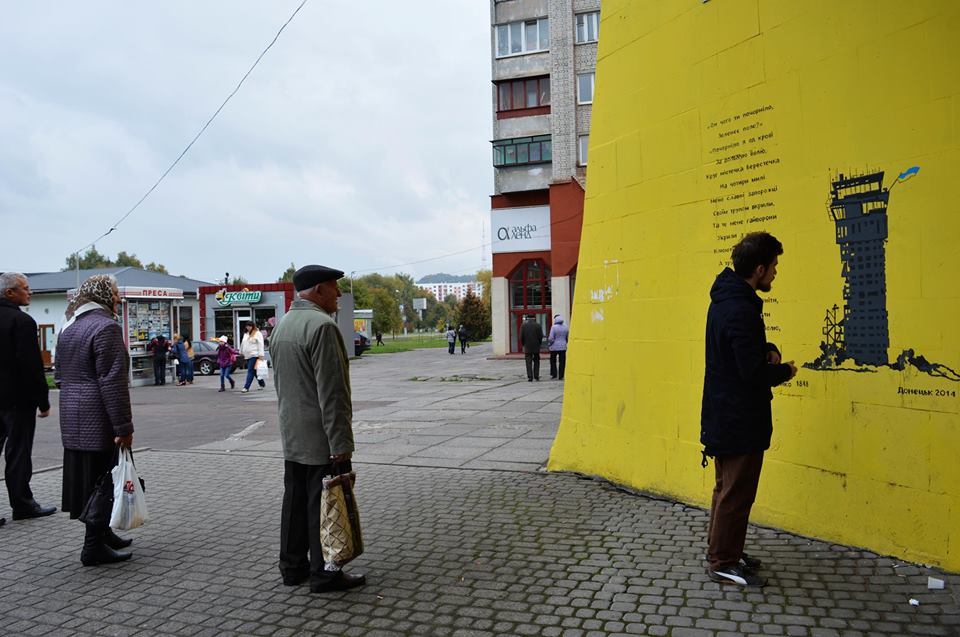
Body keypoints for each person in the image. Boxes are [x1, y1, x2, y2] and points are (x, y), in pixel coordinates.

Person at [700, 232, 797, 587]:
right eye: (773, 266)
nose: (775, 273)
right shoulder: (740, 307)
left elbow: (740, 349)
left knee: (726, 489)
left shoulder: (729, 300)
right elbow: (752, 372)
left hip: (726, 415)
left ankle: (722, 551)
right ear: (759, 268)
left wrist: (766, 346)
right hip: (739, 418)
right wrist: (784, 371)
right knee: (736, 495)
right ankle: (723, 561)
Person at [270, 264, 365, 594]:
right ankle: (326, 574)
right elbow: (332, 392)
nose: (339, 294)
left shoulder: (282, 326)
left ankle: (292, 567)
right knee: (324, 506)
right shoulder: (322, 327)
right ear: (317, 291)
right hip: (321, 437)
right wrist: (341, 442)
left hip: (292, 434)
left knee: (294, 504)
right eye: (333, 287)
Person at [55, 274, 134, 566]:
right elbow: (112, 383)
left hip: (72, 416)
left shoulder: (69, 326)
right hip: (99, 416)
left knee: (89, 478)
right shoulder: (106, 327)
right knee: (104, 480)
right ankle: (93, 547)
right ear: (102, 294)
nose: (118, 297)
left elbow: (60, 375)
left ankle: (104, 534)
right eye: (114, 292)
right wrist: (124, 427)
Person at [0, 272, 57, 527]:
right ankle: (22, 504)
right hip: (18, 400)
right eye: (25, 288)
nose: (30, 292)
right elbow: (31, 365)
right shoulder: (22, 321)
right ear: (10, 293)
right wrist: (43, 401)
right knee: (18, 453)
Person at [240, 321, 266, 393]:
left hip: (255, 355)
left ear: (253, 326)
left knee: (250, 370)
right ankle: (262, 383)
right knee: (254, 371)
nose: (248, 327)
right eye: (247, 326)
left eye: (250, 326)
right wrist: (241, 351)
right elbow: (243, 343)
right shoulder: (246, 334)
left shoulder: (257, 333)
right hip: (247, 355)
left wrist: (261, 355)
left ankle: (246, 387)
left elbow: (261, 344)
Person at [519, 315, 543, 382]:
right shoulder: (538, 325)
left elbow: (521, 337)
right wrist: (539, 344)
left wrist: (524, 344)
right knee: (537, 361)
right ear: (534, 318)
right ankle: (536, 376)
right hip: (536, 346)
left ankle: (530, 377)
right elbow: (541, 336)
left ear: (527, 318)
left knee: (528, 362)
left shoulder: (523, 326)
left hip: (527, 346)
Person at [547, 315, 569, 380]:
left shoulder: (553, 327)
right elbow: (567, 337)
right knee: (562, 361)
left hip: (554, 347)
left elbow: (551, 338)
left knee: (553, 361)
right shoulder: (566, 327)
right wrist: (565, 342)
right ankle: (561, 375)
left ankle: (554, 374)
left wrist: (550, 343)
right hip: (563, 347)